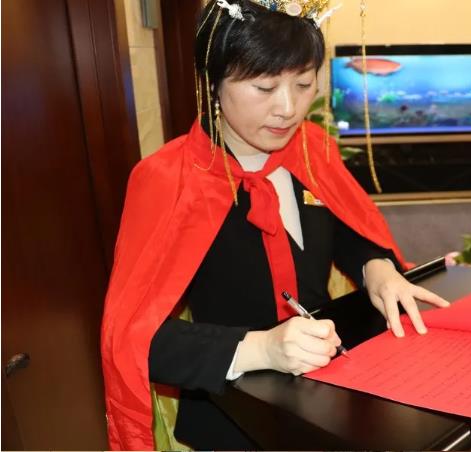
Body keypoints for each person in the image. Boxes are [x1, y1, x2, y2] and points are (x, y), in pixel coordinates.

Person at [100, 0, 450, 449]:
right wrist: (262, 348)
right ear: (213, 82)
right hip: (232, 416)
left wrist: (375, 266)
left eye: (303, 84)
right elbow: (135, 339)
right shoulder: (167, 180)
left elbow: (346, 231)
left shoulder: (312, 150)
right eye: (264, 87)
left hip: (335, 394)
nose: (288, 108)